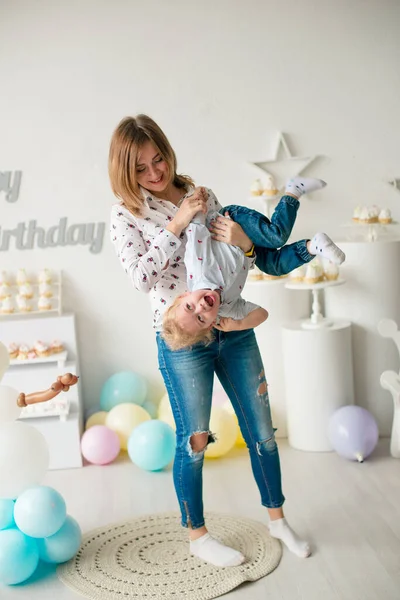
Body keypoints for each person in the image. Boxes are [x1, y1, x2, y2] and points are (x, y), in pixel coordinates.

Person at [109, 114, 313, 567]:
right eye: (141, 168)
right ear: (126, 172)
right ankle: (197, 535)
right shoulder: (125, 214)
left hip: (232, 327)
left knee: (262, 432)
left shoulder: (200, 193)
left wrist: (242, 244)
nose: (155, 173)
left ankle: (277, 519)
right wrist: (177, 223)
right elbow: (141, 278)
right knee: (194, 440)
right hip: (184, 340)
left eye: (158, 159)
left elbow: (241, 264)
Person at [162, 183, 345, 349]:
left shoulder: (198, 268)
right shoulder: (226, 309)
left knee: (276, 237)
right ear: (211, 324)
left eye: (189, 307)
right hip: (249, 251)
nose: (201, 307)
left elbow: (196, 229)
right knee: (274, 267)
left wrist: (198, 199)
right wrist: (238, 325)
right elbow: (262, 314)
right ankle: (313, 246)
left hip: (232, 222)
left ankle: (293, 190)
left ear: (184, 295)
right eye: (201, 319)